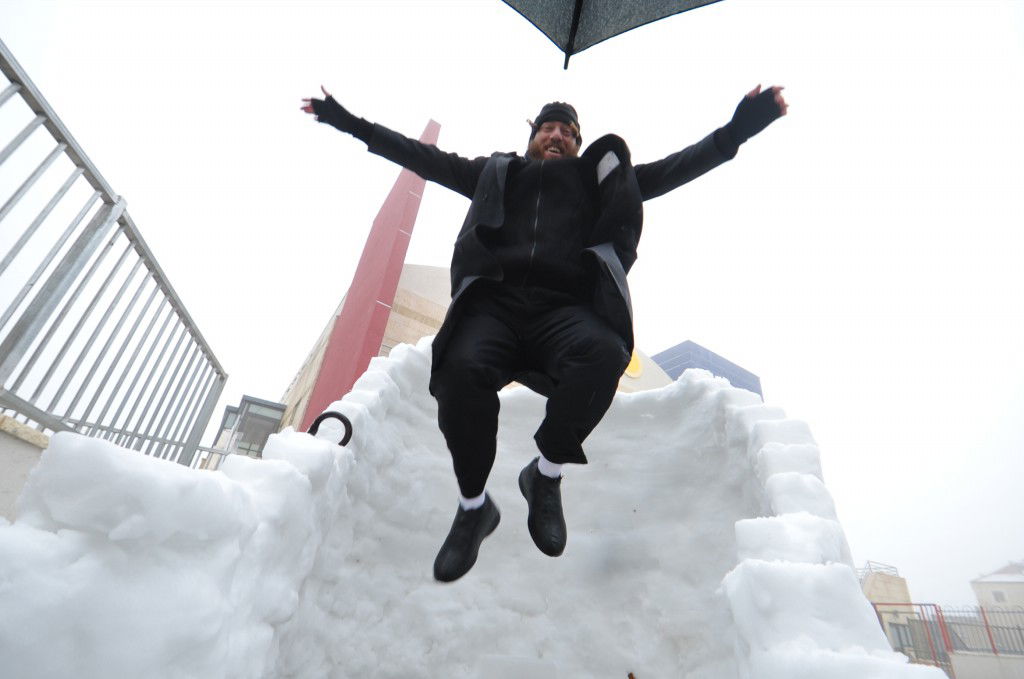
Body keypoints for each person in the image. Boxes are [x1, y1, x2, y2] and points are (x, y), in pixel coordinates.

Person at [301, 85, 787, 582]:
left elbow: (673, 170)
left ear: (578, 143)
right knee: (460, 372)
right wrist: (349, 122)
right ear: (532, 136)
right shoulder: (497, 173)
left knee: (605, 352)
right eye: (547, 128)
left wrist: (737, 132)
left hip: (565, 310)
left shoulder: (599, 180)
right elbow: (420, 156)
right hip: (496, 306)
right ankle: (474, 508)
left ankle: (545, 475)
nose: (556, 137)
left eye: (567, 132)